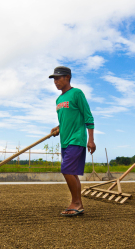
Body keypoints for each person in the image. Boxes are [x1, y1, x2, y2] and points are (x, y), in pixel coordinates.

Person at [49, 66, 96, 216]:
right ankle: (78, 204)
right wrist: (58, 128)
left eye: (58, 78)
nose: (55, 81)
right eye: (54, 79)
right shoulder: (58, 99)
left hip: (77, 139)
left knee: (67, 170)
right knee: (72, 173)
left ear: (67, 77)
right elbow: (65, 121)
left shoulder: (77, 93)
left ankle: (75, 202)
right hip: (65, 140)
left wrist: (91, 140)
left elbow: (88, 116)